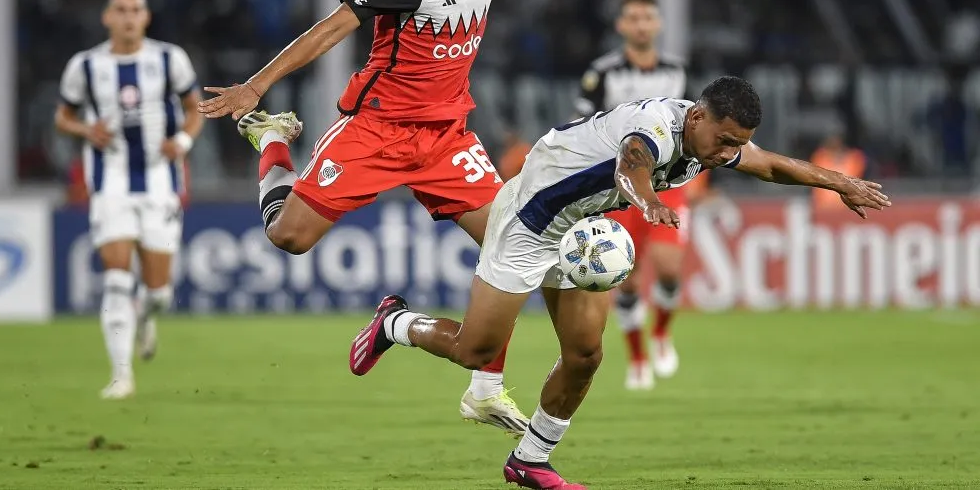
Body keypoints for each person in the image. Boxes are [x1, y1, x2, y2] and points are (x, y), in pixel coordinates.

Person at [349, 76, 890, 489]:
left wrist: (838, 182)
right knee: (475, 350)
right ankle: (395, 323)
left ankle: (530, 461)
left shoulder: (711, 138)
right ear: (697, 116)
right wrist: (649, 202)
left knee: (585, 355)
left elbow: (768, 164)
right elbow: (630, 167)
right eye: (724, 141)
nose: (728, 153)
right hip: (529, 221)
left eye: (736, 145)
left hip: (580, 228)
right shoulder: (654, 128)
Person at [198, 0, 552, 436]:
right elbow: (331, 28)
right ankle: (273, 138)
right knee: (288, 238)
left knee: (511, 246)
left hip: (446, 137)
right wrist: (257, 86)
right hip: (376, 129)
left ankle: (478, 385)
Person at [54, 0, 204, 400]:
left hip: (160, 182)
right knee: (117, 280)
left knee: (159, 293)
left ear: (146, 17)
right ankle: (121, 375)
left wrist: (183, 141)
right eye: (120, 10)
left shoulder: (169, 59)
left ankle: (147, 316)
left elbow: (195, 109)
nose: (128, 18)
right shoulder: (85, 66)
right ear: (107, 17)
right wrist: (86, 129)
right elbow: (63, 116)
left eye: (135, 10)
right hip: (110, 184)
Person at [578, 0, 690, 390]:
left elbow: (698, 131)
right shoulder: (602, 74)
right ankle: (638, 358)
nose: (641, 25)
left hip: (668, 182)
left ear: (658, 24)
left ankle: (660, 332)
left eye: (648, 18)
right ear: (621, 25)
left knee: (669, 269)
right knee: (625, 276)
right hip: (619, 187)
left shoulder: (678, 72)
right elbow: (583, 129)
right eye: (634, 18)